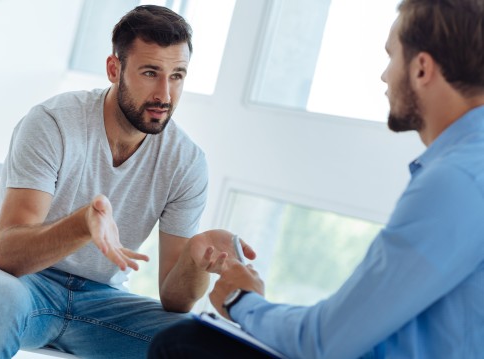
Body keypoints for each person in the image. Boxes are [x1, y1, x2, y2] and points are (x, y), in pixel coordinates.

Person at [148, 0, 484, 358]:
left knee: (183, 344)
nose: (385, 76)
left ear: (421, 69)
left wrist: (241, 299)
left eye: (391, 56)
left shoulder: (456, 181)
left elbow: (325, 341)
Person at [0, 5, 254, 359]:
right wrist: (83, 224)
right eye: (150, 72)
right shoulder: (53, 123)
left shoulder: (187, 162)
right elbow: (8, 255)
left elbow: (175, 300)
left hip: (101, 303)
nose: (165, 95)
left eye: (177, 75)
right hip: (21, 284)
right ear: (115, 69)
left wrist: (195, 258)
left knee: (199, 339)